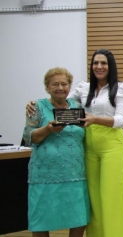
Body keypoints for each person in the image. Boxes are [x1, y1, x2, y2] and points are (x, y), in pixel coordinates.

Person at [25, 50, 123, 237]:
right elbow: (62, 98)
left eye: (104, 63)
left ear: (111, 66)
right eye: (95, 63)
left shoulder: (122, 87)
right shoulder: (84, 88)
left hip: (111, 142)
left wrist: (95, 119)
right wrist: (34, 103)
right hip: (88, 142)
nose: (99, 67)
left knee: (112, 196)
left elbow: (121, 120)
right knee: (93, 198)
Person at [23, 67, 90, 237]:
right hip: (44, 175)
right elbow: (28, 137)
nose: (60, 87)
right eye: (55, 84)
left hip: (75, 173)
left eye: (64, 84)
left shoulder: (77, 107)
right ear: (47, 87)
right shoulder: (37, 107)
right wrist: (47, 129)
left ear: (69, 86)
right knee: (41, 219)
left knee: (78, 218)